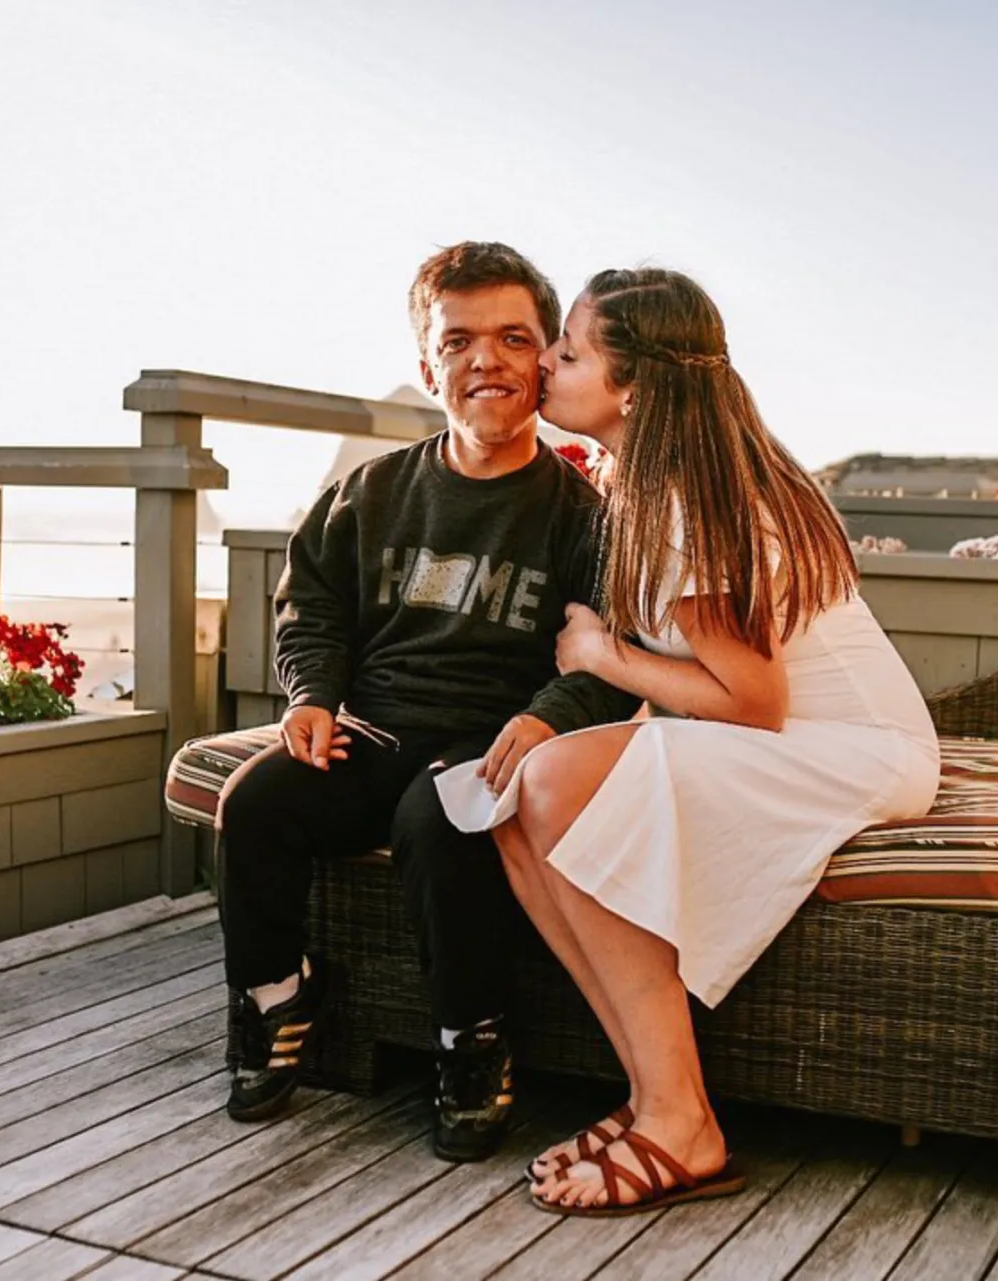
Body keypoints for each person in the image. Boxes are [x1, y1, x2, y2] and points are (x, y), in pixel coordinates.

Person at [434, 267, 942, 1215]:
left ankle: (683, 1121)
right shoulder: (657, 479)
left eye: (568, 353)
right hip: (801, 733)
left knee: (551, 783)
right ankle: (653, 1097)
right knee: (517, 800)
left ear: (631, 388)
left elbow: (752, 700)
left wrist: (603, 653)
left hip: (850, 748)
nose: (544, 365)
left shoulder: (687, 502)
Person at [215, 242, 637, 1163]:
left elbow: (607, 658)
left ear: (545, 360)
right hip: (371, 731)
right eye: (458, 341)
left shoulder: (582, 517)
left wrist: (548, 716)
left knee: (438, 818)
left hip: (493, 739)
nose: (485, 359)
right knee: (255, 802)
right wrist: (312, 695)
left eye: (513, 338)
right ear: (427, 364)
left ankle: (470, 1037)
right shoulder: (370, 493)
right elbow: (312, 609)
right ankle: (277, 996)